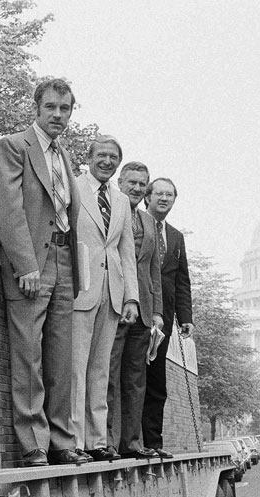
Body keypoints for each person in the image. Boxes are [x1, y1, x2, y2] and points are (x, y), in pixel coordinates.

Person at [0, 78, 88, 467]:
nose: (58, 116)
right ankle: (34, 443)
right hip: (34, 264)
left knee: (60, 358)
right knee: (29, 354)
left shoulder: (62, 155)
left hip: (64, 262)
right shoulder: (13, 147)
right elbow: (8, 209)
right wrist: (25, 264)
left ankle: (62, 441)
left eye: (65, 109)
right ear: (37, 107)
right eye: (51, 108)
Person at [70, 136, 139, 462]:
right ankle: (74, 441)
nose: (107, 161)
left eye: (113, 157)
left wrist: (131, 299)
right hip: (80, 289)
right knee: (75, 369)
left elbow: (126, 253)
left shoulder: (121, 200)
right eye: (101, 155)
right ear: (90, 157)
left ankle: (97, 441)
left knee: (100, 371)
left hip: (111, 295)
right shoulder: (72, 187)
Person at [107, 162, 165, 459]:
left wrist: (157, 312)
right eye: (132, 182)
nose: (137, 188)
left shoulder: (148, 221)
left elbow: (154, 271)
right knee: (109, 376)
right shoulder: (109, 211)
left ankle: (132, 443)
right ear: (120, 182)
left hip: (143, 313)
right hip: (114, 305)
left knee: (135, 380)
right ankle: (108, 443)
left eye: (143, 184)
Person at [141, 178, 194, 458]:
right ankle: (129, 441)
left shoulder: (175, 236)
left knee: (156, 382)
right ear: (147, 197)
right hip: (137, 311)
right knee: (132, 377)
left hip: (165, 320)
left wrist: (186, 316)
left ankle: (153, 442)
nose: (164, 198)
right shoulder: (135, 224)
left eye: (169, 195)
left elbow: (181, 280)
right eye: (159, 193)